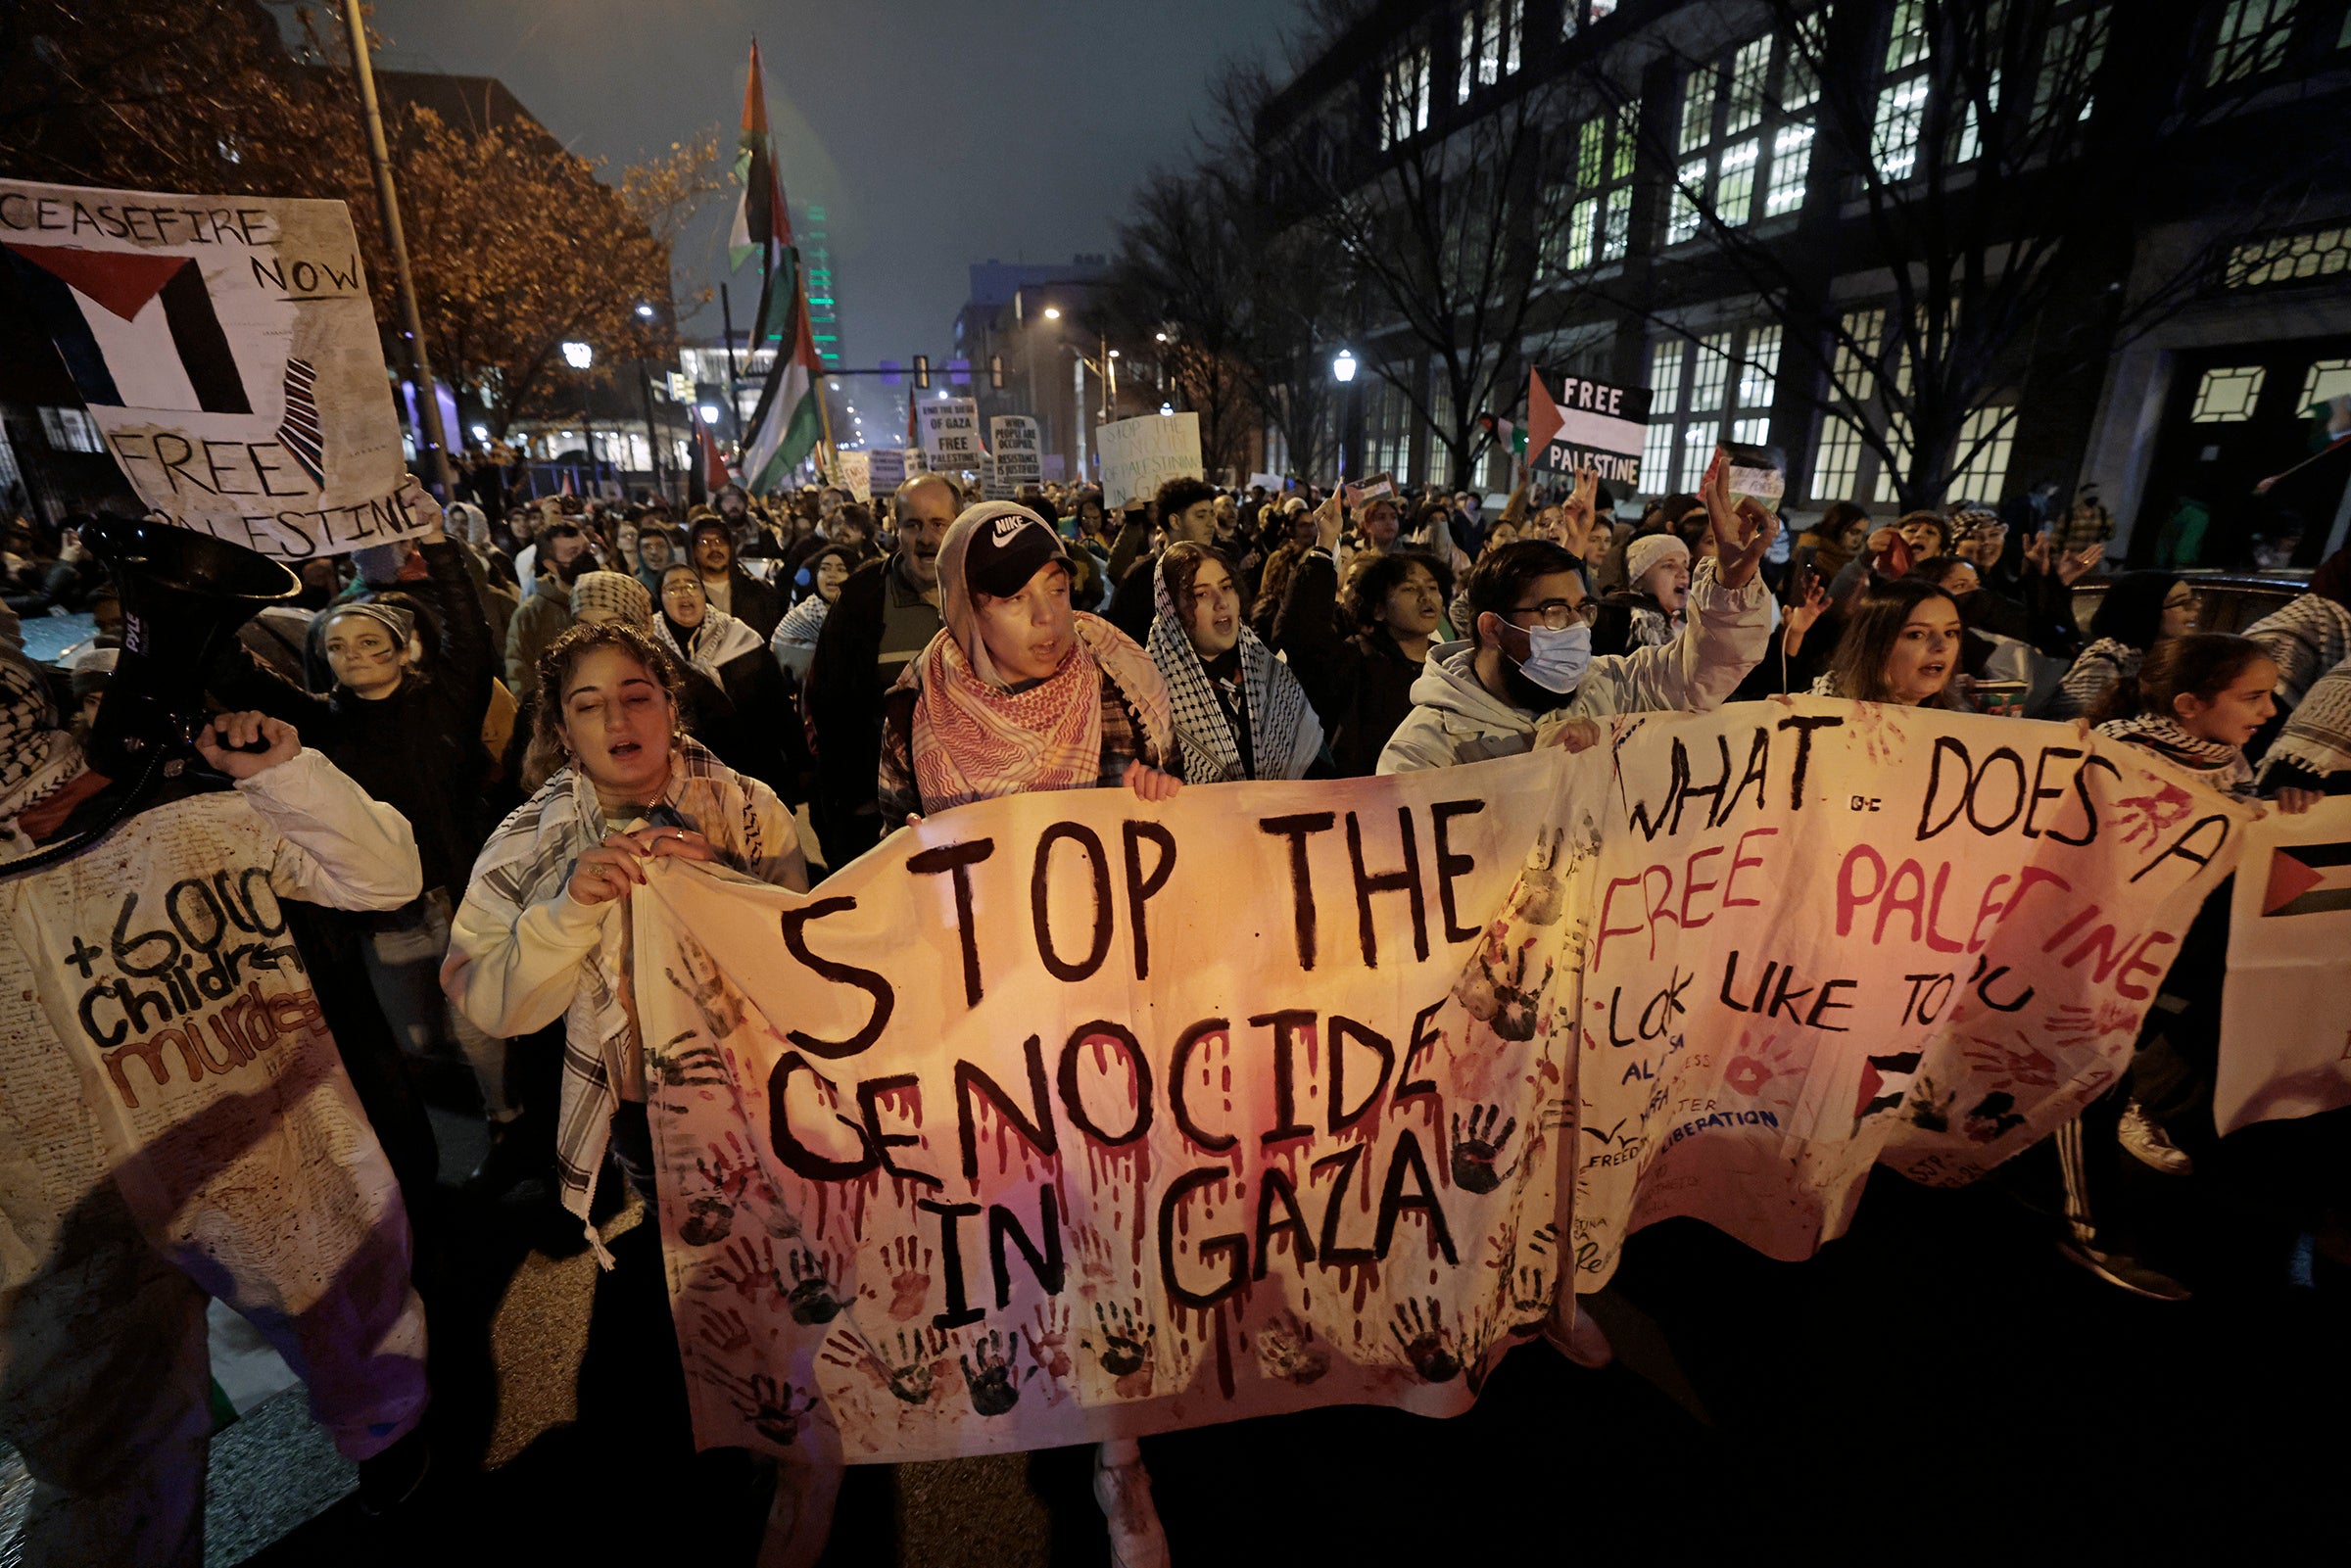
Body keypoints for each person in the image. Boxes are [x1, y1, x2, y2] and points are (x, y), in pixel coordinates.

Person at [1, 696, 431, 1564]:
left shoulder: (175, 818)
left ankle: (397, 1455)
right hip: (61, 1213)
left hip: (263, 1150)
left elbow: (385, 875)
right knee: (110, 1459)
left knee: (346, 1324)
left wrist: (283, 775)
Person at [443, 620, 821, 1560]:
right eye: (588, 704)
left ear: (670, 703)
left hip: (761, 1096)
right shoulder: (529, 841)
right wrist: (570, 907)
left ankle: (802, 1456)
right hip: (649, 1119)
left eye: (635, 694)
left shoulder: (748, 807)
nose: (617, 719)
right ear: (561, 729)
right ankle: (743, 1436)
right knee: (707, 1280)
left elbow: (811, 951)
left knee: (791, 1272)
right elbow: (493, 1000)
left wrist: (721, 884)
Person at [868, 499, 1176, 1567]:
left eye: (1058, 587)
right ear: (968, 607)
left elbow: (1178, 843)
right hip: (988, 1019)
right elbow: (894, 864)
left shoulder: (1119, 683)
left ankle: (1120, 1454)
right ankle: (1034, 1381)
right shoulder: (914, 709)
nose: (1047, 618)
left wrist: (1161, 802)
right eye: (1012, 597)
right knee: (1022, 1224)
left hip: (1110, 1011)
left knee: (1114, 1225)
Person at [207, 479, 507, 1189]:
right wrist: (223, 567)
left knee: (480, 1028)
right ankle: (442, 1145)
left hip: (461, 894)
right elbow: (233, 668)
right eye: (339, 646)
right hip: (383, 914)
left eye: (371, 641)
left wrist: (436, 543)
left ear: (404, 651)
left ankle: (508, 1123)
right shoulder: (322, 721)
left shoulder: (446, 702)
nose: (355, 654)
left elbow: (471, 635)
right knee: (418, 1034)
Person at [2053, 634, 2320, 1301]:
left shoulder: (2226, 759)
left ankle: (2135, 1115)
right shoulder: (2116, 757)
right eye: (2252, 697)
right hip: (2097, 946)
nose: (2270, 710)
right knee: (2081, 1074)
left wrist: (2279, 813)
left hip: (2171, 946)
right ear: (2189, 705)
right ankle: (2085, 1230)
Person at [1378, 457, 1775, 773]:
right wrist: (1535, 772)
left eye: (1582, 610)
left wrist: (1732, 585)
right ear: (1493, 628)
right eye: (1553, 611)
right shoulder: (1421, 752)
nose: (1575, 629)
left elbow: (1700, 673)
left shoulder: (1607, 687)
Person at [804, 473, 955, 869]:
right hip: (878, 817)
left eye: (938, 524)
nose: (926, 538)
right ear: (896, 530)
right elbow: (829, 705)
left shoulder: (982, 593)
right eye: (914, 525)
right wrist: (859, 799)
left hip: (963, 808)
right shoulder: (861, 599)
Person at [1147, 542, 1322, 782]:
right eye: (1201, 594)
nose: (1222, 602)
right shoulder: (1151, 701)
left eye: (1226, 586)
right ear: (1172, 611)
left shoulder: (1270, 676)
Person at [2046, 571, 2197, 719]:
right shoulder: (2106, 661)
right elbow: (2076, 724)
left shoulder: (2155, 657)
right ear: (2148, 609)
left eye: (2194, 599)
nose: (2197, 606)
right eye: (2184, 603)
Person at [1811, 576, 1970, 708]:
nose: (1942, 646)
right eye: (1916, 634)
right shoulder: (1819, 713)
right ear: (1875, 645)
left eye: (1950, 633)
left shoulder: (1962, 718)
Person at [1105, 475, 1221, 641]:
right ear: (1175, 521)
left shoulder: (1219, 567)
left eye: (1212, 514)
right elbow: (1123, 640)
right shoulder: (1141, 576)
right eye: (1201, 516)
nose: (1211, 523)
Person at [506, 512, 594, 703]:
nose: (585, 558)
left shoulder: (609, 596)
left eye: (586, 549)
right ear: (551, 565)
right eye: (573, 553)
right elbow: (520, 677)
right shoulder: (530, 615)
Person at [770, 542, 857, 685]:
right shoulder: (803, 617)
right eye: (824, 568)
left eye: (841, 569)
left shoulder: (858, 615)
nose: (832, 574)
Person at [1590, 533, 1690, 657]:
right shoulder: (1616, 618)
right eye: (1669, 566)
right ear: (1638, 579)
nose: (1683, 573)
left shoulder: (1694, 621)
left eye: (1685, 566)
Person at [688, 514, 785, 640]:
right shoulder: (686, 597)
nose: (714, 548)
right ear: (694, 551)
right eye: (704, 542)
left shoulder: (760, 591)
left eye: (720, 541)